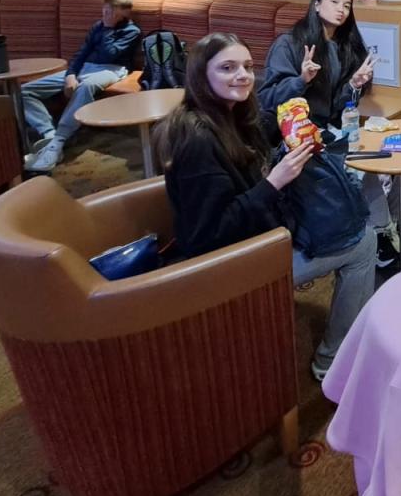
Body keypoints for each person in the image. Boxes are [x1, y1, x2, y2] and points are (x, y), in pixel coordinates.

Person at [155, 32, 375, 382]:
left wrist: (304, 93)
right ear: (200, 75)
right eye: (227, 68)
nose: (242, 75)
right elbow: (207, 235)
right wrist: (275, 181)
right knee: (364, 243)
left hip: (262, 234)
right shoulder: (196, 139)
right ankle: (331, 360)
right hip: (231, 262)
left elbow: (267, 124)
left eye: (246, 66)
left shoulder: (227, 115)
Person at [22, 0, 141, 172]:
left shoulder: (131, 31)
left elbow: (108, 55)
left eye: (111, 10)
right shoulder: (97, 26)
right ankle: (49, 133)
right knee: (24, 91)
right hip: (85, 67)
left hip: (112, 69)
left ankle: (58, 141)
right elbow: (81, 53)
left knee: (86, 86)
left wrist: (109, 28)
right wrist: (71, 74)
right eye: (105, 9)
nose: (105, 13)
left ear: (123, 13)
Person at [258, 0, 377, 135]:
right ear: (317, 5)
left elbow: (337, 108)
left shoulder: (345, 48)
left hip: (329, 130)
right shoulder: (288, 43)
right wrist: (302, 80)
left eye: (347, 6)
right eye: (334, 2)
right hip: (295, 132)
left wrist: (354, 85)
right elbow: (268, 99)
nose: (341, 9)